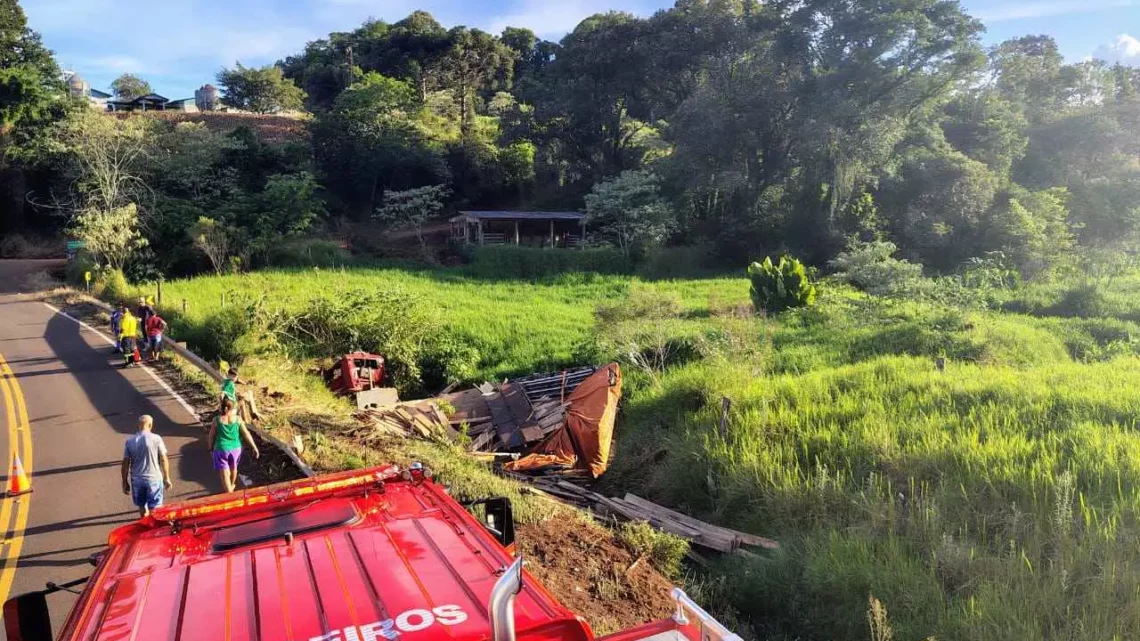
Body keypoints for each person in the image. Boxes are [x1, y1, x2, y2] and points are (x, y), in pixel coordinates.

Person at [121, 415, 172, 517]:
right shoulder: (157, 439)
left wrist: (124, 481)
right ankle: (155, 529)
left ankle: (145, 527)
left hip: (137, 480)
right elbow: (163, 459)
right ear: (150, 425)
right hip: (154, 479)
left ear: (138, 425)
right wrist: (166, 477)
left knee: (142, 507)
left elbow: (125, 464)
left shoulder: (130, 442)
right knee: (155, 508)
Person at [208, 397, 260, 493]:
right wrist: (254, 447)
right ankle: (232, 485)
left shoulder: (216, 420)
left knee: (225, 472)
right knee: (234, 468)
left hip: (221, 448)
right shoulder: (238, 419)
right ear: (231, 409)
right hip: (236, 448)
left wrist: (210, 448)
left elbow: (211, 436)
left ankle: (229, 492)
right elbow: (246, 434)